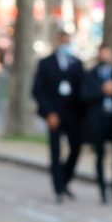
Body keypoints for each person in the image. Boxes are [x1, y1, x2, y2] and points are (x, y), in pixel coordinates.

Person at [32, 31, 86, 203]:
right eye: (64, 41)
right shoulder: (46, 63)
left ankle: (64, 180)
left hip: (73, 115)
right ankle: (58, 188)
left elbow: (82, 90)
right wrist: (48, 113)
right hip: (54, 114)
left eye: (68, 42)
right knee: (55, 152)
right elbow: (37, 90)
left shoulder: (77, 64)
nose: (66, 45)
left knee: (75, 148)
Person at [81, 44, 112, 204]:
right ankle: (102, 192)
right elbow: (84, 96)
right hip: (98, 120)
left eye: (108, 53)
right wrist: (102, 90)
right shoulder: (91, 74)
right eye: (103, 53)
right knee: (100, 156)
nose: (105, 56)